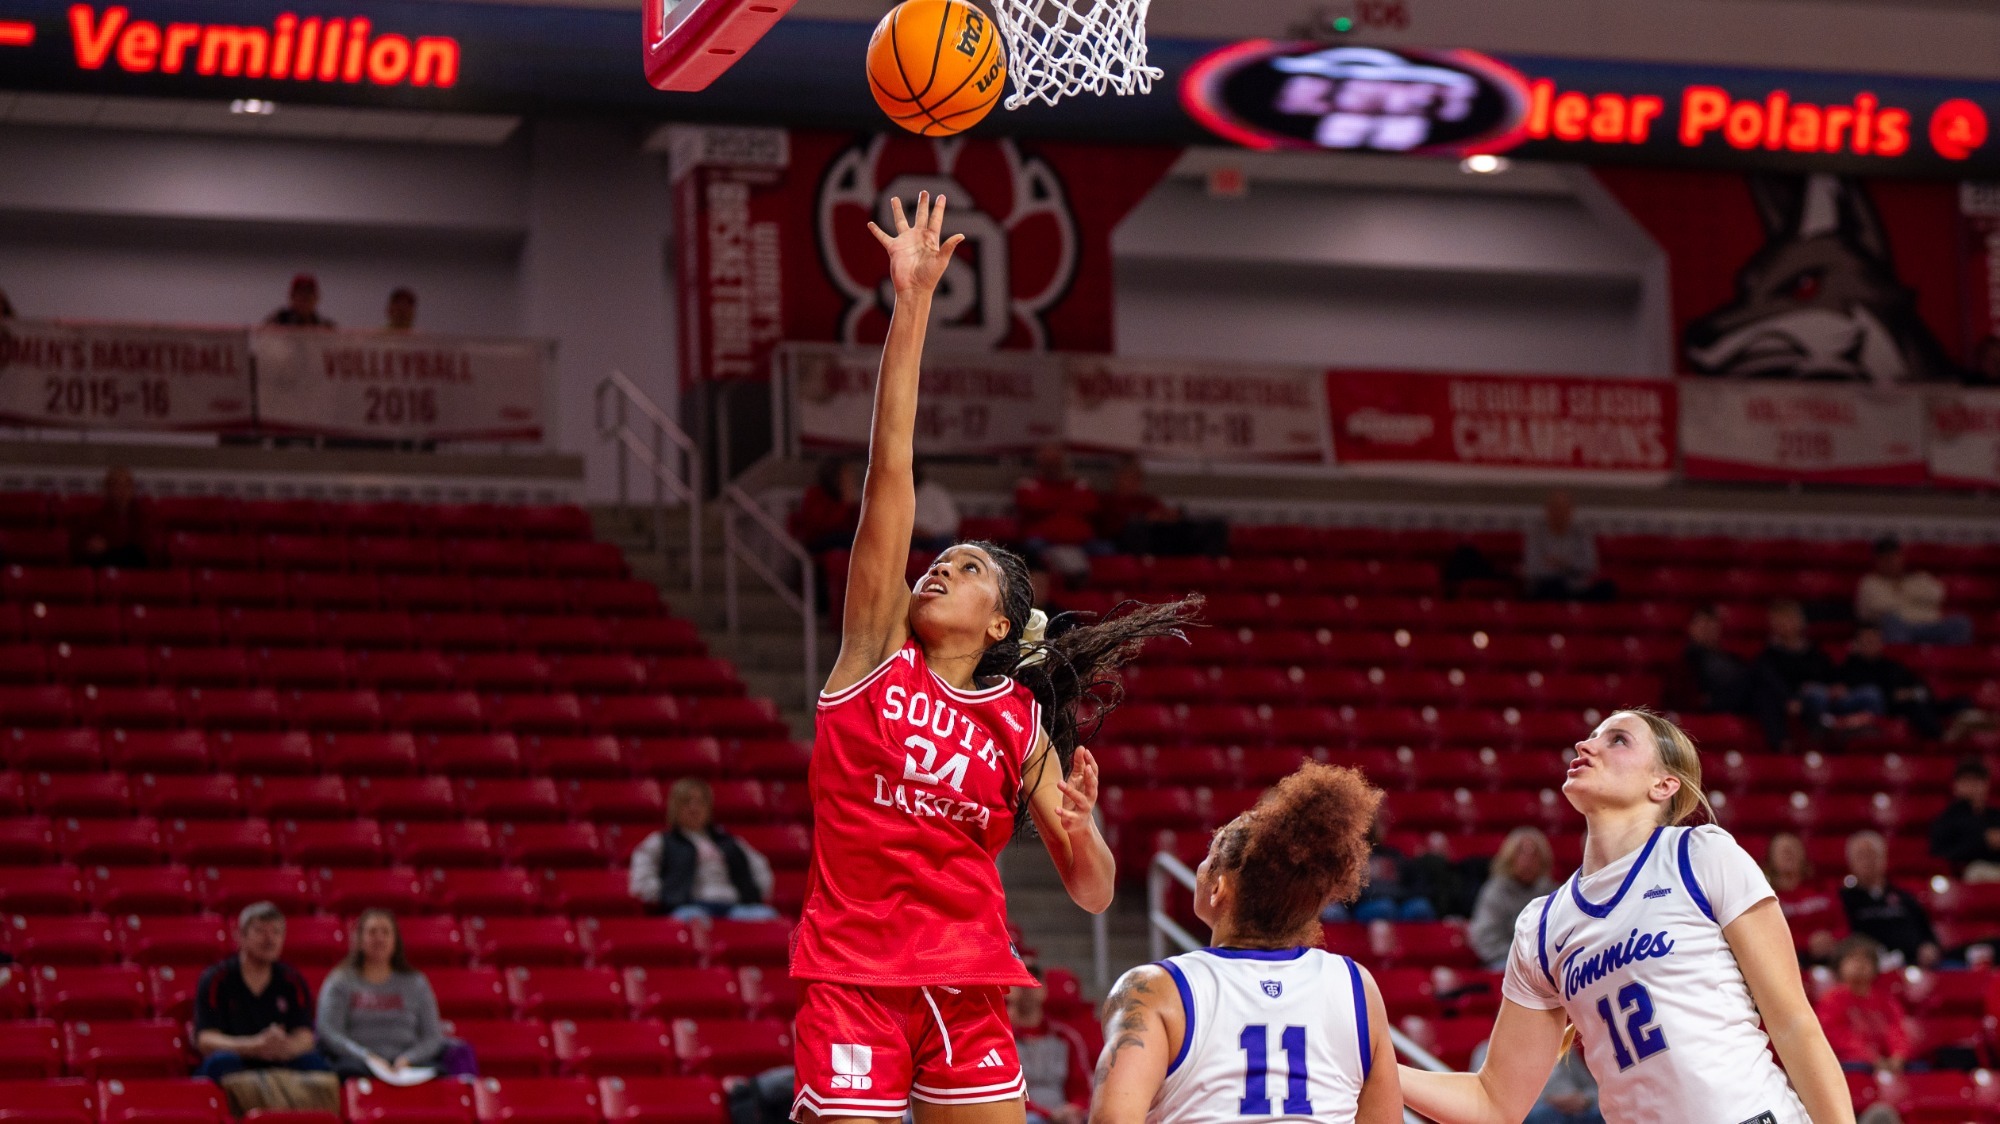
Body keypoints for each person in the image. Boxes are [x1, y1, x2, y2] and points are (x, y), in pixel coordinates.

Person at [789, 193, 1197, 1124]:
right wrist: (914, 303)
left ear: (1004, 626)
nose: (937, 568)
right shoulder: (870, 653)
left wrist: (1086, 825)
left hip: (970, 990)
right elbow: (890, 465)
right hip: (854, 981)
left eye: (965, 568)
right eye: (938, 560)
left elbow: (1093, 896)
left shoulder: (1020, 728)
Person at [1398, 709, 1853, 1124]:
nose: (1586, 746)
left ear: (1663, 784)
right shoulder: (1541, 925)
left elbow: (1794, 1025)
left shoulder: (1700, 855)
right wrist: (1376, 1065)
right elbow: (1494, 1103)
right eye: (1590, 736)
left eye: (1617, 740)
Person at [1089, 763, 1402, 1124]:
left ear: (1218, 888)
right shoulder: (1356, 986)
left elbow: (1112, 1119)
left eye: (1208, 857)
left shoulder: (1152, 989)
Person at [316, 910, 467, 1080]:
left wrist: (408, 1059)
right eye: (372, 932)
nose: (379, 938)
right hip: (358, 1065)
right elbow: (329, 1031)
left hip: (408, 1066)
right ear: (359, 940)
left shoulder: (416, 982)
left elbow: (432, 1036)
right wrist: (366, 1057)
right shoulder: (340, 981)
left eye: (386, 932)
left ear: (395, 941)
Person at [193, 903, 330, 1079]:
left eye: (276, 932)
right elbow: (205, 1040)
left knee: (315, 1064)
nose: (269, 939)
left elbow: (305, 1037)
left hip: (279, 1061)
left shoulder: (292, 980)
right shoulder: (216, 979)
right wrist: (254, 1046)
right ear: (240, 936)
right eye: (260, 931)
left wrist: (283, 1047)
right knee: (221, 1063)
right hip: (237, 1059)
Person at [627, 777, 780, 921]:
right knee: (691, 921)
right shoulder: (661, 841)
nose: (694, 808)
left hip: (734, 908)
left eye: (700, 802)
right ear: (675, 807)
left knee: (766, 917)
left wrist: (753, 893)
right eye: (687, 802)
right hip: (690, 908)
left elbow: (760, 867)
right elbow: (641, 879)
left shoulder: (729, 842)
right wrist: (666, 896)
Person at [1753, 600, 1878, 749]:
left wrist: (1837, 686)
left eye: (1790, 618)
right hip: (1803, 701)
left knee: (1871, 693)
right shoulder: (1769, 656)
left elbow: (1831, 673)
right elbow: (1772, 683)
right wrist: (1790, 698)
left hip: (1828, 695)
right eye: (1781, 620)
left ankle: (1866, 730)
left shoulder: (1813, 651)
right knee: (1815, 694)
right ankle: (1827, 729)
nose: (1786, 624)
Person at [1843, 624, 1969, 743]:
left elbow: (1918, 684)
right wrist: (1897, 695)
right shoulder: (1851, 668)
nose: (1871, 645)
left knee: (1962, 701)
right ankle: (1942, 737)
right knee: (1915, 707)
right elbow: (1871, 696)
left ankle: (1971, 725)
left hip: (1920, 700)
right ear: (1857, 644)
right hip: (1894, 708)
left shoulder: (1891, 665)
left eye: (1875, 640)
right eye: (1867, 641)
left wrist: (1913, 693)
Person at [1839, 831, 1940, 969]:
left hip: (1912, 966)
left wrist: (1928, 947)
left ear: (1884, 858)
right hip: (1869, 969)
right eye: (1861, 856)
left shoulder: (1904, 898)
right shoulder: (1843, 899)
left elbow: (1927, 935)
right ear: (1850, 861)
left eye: (1872, 854)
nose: (1867, 861)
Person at [1813, 936, 1911, 1074]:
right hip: (1849, 1065)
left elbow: (1897, 1029)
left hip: (1885, 1063)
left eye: (1866, 959)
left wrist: (1898, 1056)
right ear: (1839, 966)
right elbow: (1834, 1034)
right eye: (1853, 958)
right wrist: (1871, 1058)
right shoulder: (1832, 999)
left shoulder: (1885, 999)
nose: (1860, 964)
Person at [1008, 968, 1091, 1124]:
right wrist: (1048, 1114)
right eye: (1020, 981)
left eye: (1034, 980)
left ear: (1044, 990)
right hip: (1025, 1115)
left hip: (1065, 1115)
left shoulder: (1065, 1038)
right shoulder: (1004, 1039)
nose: (1028, 988)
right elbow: (1009, 1093)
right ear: (1010, 990)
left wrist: (1075, 1108)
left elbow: (1081, 1088)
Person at [1855, 537, 1972, 646]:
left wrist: (1899, 597)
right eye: (1885, 559)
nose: (1890, 562)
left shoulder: (1920, 578)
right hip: (1900, 628)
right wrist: (1914, 599)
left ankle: (1950, 664)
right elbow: (1873, 609)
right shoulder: (1870, 583)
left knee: (1961, 623)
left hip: (1931, 625)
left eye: (1894, 557)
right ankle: (1902, 662)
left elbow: (1938, 595)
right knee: (1891, 622)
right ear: (1877, 561)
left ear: (1901, 558)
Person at [1469, 827, 1557, 971]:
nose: (1527, 860)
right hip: (1505, 961)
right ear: (1509, 858)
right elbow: (1486, 938)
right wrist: (1522, 959)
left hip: (1546, 963)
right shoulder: (1495, 892)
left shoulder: (1553, 893)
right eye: (1521, 853)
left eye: (1534, 855)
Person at [1468, 1040, 1601, 1124]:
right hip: (1535, 1112)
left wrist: (1584, 1100)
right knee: (1543, 1114)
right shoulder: (1486, 1051)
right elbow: (1487, 1101)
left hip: (1581, 1111)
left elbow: (1595, 1089)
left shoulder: (1562, 1046)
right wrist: (1548, 1101)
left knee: (1608, 1110)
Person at [1663, 606, 1759, 718]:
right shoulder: (1682, 663)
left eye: (1712, 625)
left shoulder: (1732, 659)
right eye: (1703, 624)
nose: (1707, 630)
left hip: (1738, 705)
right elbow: (1680, 699)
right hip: (1707, 709)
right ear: (1691, 627)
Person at [1765, 833, 1844, 964]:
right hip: (1789, 959)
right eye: (1783, 851)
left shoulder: (1824, 888)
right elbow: (1770, 937)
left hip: (1833, 954)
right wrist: (1806, 943)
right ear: (1771, 858)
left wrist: (1832, 938)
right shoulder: (1767, 897)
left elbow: (1843, 925)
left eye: (1793, 849)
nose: (1789, 854)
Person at [1521, 492, 1614, 602]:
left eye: (1563, 509)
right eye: (1555, 509)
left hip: (1577, 589)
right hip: (1547, 588)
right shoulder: (1536, 534)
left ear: (1571, 511)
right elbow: (1533, 568)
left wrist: (1561, 563)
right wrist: (1571, 567)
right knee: (1549, 587)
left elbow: (1590, 565)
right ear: (1548, 511)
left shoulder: (1582, 532)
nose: (1559, 513)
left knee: (1608, 588)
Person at [1928, 758, 2000, 883]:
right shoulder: (1947, 820)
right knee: (1976, 871)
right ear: (1956, 786)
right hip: (1968, 876)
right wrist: (1984, 841)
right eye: (1967, 781)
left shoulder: (1995, 816)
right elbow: (1940, 855)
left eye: (1977, 781)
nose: (1973, 787)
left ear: (1987, 784)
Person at [71, 466, 152, 568]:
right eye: (117, 485)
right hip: (106, 564)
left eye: (126, 485)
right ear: (107, 489)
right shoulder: (94, 518)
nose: (122, 490)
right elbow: (80, 545)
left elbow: (146, 548)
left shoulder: (143, 517)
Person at [912, 461, 961, 554]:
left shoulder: (935, 493)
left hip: (933, 539)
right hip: (907, 539)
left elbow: (950, 523)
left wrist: (926, 532)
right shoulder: (893, 493)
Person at [266, 273, 335, 327]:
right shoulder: (278, 320)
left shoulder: (325, 326)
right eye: (300, 295)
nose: (304, 300)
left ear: (316, 298)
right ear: (292, 296)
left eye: (308, 295)